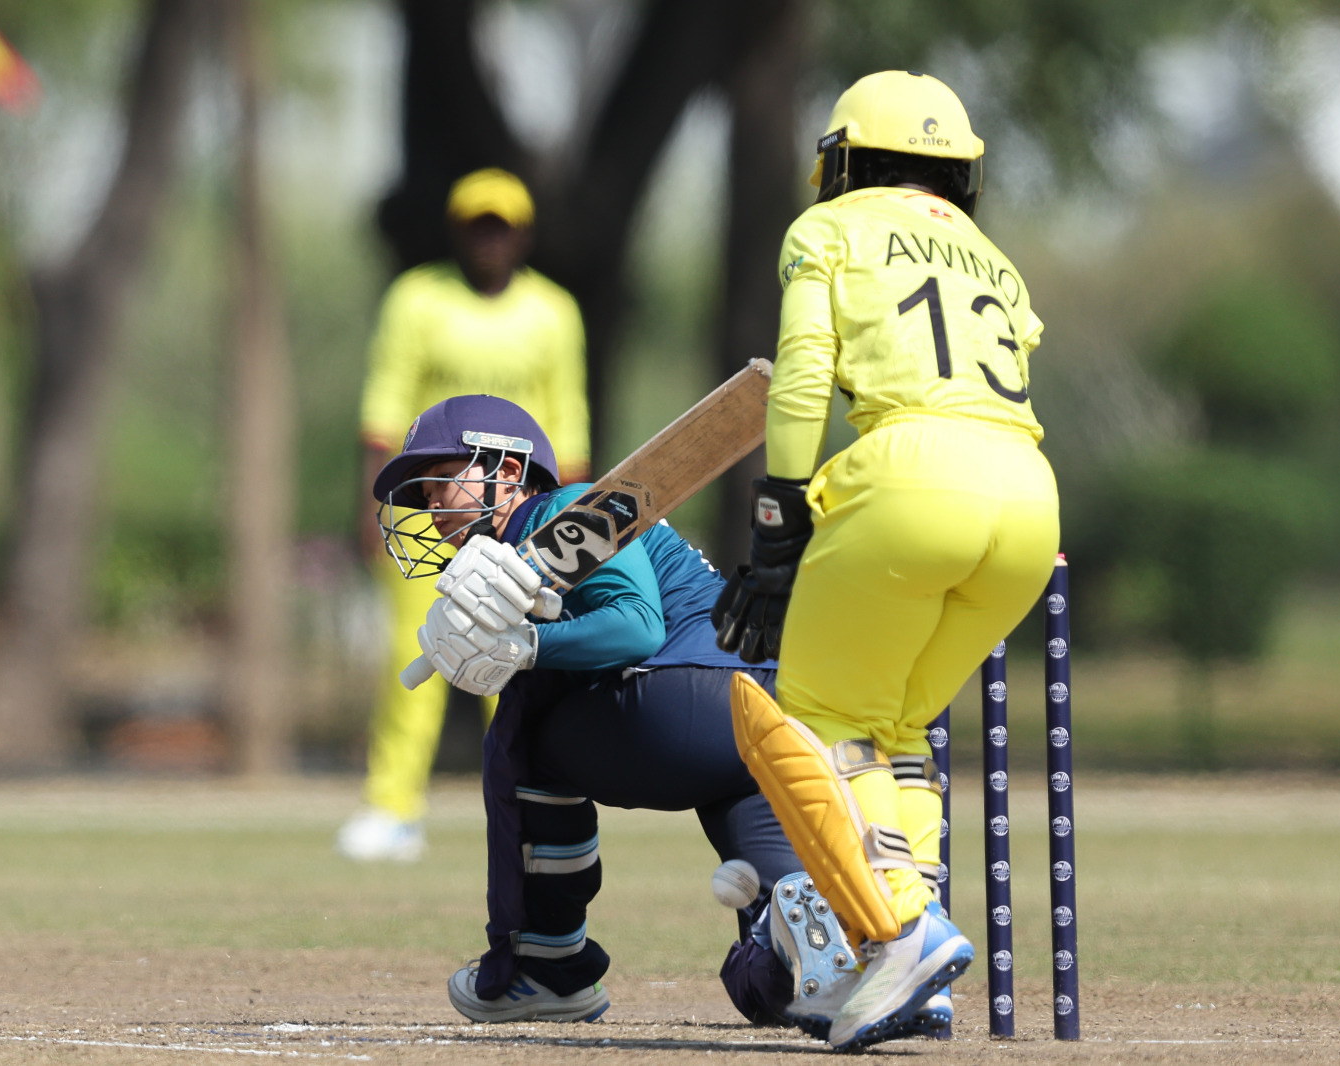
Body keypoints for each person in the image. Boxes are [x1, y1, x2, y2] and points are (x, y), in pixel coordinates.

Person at [372, 394, 952, 1036]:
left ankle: (548, 965)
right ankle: (881, 967)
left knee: (524, 731)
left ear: (506, 472)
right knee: (771, 986)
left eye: (438, 480)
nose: (428, 505)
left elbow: (636, 628)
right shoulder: (539, 542)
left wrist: (527, 648)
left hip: (691, 699)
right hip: (767, 730)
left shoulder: (565, 508)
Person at [712, 70, 1062, 1050]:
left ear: (843, 161)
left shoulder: (827, 228)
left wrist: (779, 508)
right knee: (896, 729)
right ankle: (910, 970)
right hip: (1027, 495)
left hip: (908, 475)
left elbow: (806, 372)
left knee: (816, 721)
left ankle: (902, 927)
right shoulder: (994, 258)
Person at [339, 168, 590, 863]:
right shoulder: (418, 299)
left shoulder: (553, 312)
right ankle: (393, 808)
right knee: (412, 653)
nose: (489, 240)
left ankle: (531, 798)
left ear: (522, 235)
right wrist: (372, 503)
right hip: (432, 511)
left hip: (517, 513)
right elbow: (383, 411)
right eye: (478, 225)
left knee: (513, 658)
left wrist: (567, 522)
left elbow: (568, 426)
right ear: (458, 230)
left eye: (501, 227)